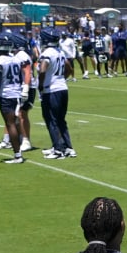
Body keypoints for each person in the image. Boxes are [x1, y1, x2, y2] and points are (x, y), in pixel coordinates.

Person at [0, 33, 31, 165]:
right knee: (15, 121)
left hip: (7, 95)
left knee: (10, 124)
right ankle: (19, 147)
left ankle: (17, 154)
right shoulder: (15, 59)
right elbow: (20, 77)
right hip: (17, 93)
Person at [37, 29, 75, 160]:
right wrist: (61, 79)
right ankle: (68, 147)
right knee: (60, 120)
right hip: (63, 88)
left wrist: (41, 85)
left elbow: (42, 70)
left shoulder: (47, 53)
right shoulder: (60, 52)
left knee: (51, 120)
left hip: (51, 90)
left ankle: (58, 150)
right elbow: (69, 68)